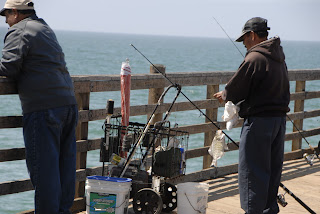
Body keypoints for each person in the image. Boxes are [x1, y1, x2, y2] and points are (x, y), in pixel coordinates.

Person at [0, 0, 78, 213]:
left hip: (44, 109)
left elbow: (8, 67)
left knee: (45, 174)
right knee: (64, 169)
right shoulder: (45, 28)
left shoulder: (20, 30)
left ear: (15, 12)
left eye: (6, 15)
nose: (6, 22)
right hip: (68, 105)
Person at [214, 17, 290, 214]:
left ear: (253, 35)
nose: (245, 45)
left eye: (245, 40)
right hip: (278, 122)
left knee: (252, 173)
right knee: (271, 172)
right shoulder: (278, 57)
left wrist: (224, 94)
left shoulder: (254, 58)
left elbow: (234, 90)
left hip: (258, 124)